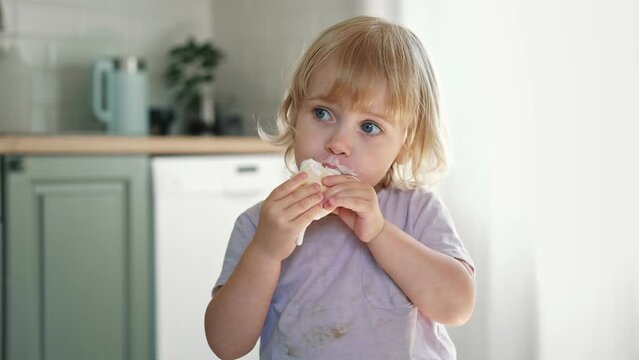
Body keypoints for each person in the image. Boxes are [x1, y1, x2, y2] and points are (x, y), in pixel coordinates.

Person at [204, 16, 475, 360]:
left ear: (406, 143)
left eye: (370, 127)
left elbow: (457, 307)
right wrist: (266, 252)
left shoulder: (417, 211)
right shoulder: (262, 225)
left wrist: (378, 232)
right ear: (293, 114)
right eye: (322, 113)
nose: (338, 143)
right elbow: (226, 345)